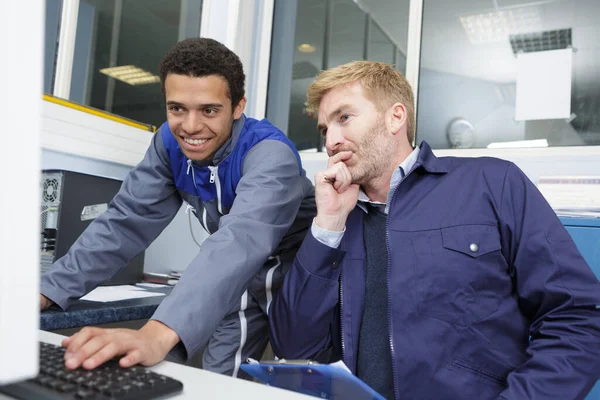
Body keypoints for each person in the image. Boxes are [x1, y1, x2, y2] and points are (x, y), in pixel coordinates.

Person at [269, 60, 600, 400]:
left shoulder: (492, 184)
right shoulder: (334, 218)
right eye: (325, 129)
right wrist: (328, 226)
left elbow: (578, 320)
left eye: (344, 118)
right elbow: (295, 346)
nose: (332, 141)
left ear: (395, 117)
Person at [40, 37, 316, 378]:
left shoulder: (270, 154)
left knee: (304, 377)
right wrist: (47, 289)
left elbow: (240, 239)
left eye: (209, 110)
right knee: (218, 375)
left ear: (238, 106)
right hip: (239, 277)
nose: (190, 126)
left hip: (300, 278)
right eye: (177, 108)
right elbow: (124, 222)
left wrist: (157, 333)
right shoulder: (169, 146)